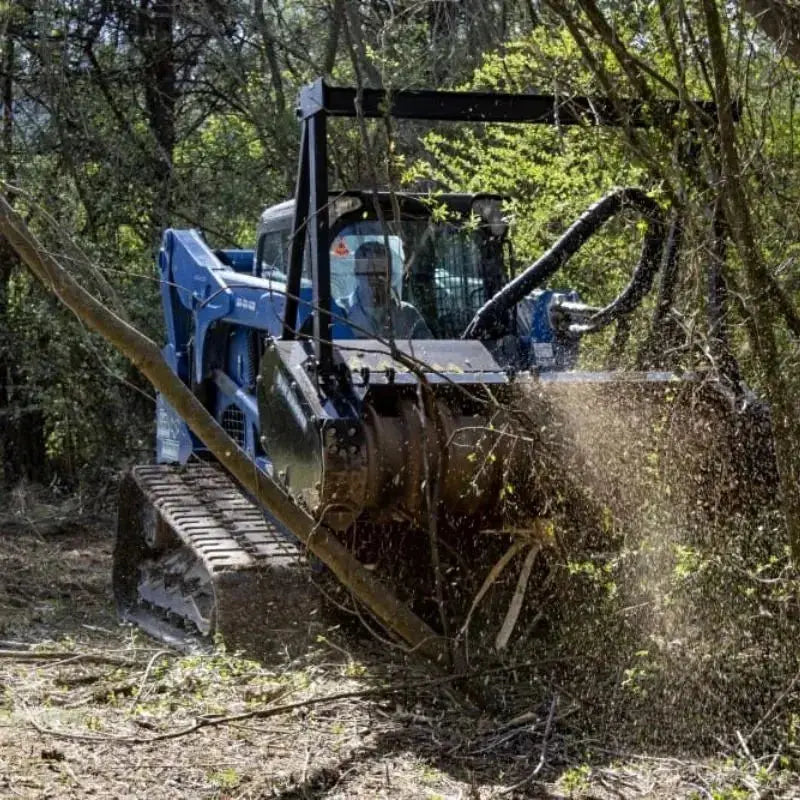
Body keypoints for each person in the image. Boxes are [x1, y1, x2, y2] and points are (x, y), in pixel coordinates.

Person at [344, 241, 431, 339]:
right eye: (368, 272)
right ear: (357, 272)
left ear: (390, 274)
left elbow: (429, 351)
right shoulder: (342, 312)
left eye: (381, 273)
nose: (375, 278)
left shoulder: (408, 315)